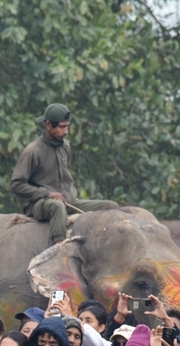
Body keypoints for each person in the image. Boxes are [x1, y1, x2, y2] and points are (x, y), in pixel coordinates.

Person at [10, 103, 118, 245]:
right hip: (42, 204)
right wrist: (47, 193)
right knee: (58, 207)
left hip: (69, 202)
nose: (66, 131)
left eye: (67, 126)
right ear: (48, 125)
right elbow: (16, 185)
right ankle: (59, 245)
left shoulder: (66, 146)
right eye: (62, 127)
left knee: (111, 206)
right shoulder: (33, 151)